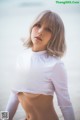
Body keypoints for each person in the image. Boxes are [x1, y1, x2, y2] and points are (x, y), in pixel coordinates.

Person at [5, 10, 75, 120]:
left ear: (55, 37)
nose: (40, 31)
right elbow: (13, 97)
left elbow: (65, 105)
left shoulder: (55, 64)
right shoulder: (21, 59)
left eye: (48, 29)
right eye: (38, 25)